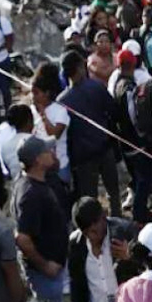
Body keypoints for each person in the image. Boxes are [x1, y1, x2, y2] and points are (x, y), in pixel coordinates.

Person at [58, 51, 122, 217]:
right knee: (113, 192)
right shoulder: (96, 87)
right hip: (103, 148)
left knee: (89, 198)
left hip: (82, 156)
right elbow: (114, 111)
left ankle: (94, 226)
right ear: (80, 68)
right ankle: (117, 221)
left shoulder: (62, 101)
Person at [13, 136, 68, 302]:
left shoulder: (33, 182)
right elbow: (22, 238)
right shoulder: (31, 194)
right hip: (45, 274)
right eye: (47, 150)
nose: (52, 152)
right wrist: (45, 266)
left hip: (51, 269)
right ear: (37, 159)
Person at [113, 49, 152, 223]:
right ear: (133, 64)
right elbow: (133, 115)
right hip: (135, 142)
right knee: (144, 180)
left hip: (125, 140)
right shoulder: (128, 87)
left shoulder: (117, 83)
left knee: (139, 178)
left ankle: (141, 211)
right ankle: (139, 214)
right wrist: (143, 135)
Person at [31, 64, 71, 185]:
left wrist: (43, 116)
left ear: (47, 93)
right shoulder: (33, 109)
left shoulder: (60, 111)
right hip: (40, 168)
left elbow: (54, 135)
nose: (33, 97)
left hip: (59, 167)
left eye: (36, 93)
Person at [1, 104, 35, 180]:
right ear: (29, 121)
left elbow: (9, 169)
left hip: (17, 187)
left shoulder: (5, 147)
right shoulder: (35, 141)